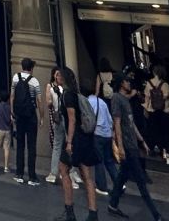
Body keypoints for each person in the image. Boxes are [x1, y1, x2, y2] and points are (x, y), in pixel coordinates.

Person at [106, 72, 162, 221]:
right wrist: (121, 146)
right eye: (126, 81)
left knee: (122, 176)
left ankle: (113, 204)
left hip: (131, 142)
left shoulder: (124, 100)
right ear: (120, 84)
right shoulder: (117, 99)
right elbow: (117, 123)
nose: (129, 83)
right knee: (140, 180)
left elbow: (130, 123)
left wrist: (141, 140)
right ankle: (156, 215)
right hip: (127, 145)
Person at [55, 66, 101, 221]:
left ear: (65, 78)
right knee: (87, 175)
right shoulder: (76, 93)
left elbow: (72, 119)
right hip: (85, 138)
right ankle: (93, 213)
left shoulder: (68, 95)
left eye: (59, 75)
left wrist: (69, 142)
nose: (57, 77)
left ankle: (70, 212)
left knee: (63, 169)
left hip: (75, 139)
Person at [12, 57, 43, 186]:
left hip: (19, 115)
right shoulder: (34, 81)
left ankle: (19, 174)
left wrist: (12, 112)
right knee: (31, 146)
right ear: (31, 68)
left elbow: (12, 95)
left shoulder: (15, 77)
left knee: (20, 145)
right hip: (31, 116)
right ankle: (32, 176)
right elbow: (39, 100)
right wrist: (41, 116)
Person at [88, 77, 117, 194]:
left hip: (97, 134)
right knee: (109, 160)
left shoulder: (88, 102)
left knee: (99, 161)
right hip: (107, 134)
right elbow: (110, 120)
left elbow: (89, 119)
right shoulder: (102, 102)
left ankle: (101, 186)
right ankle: (119, 182)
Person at [144, 66, 169, 166]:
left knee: (153, 130)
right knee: (164, 131)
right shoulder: (165, 84)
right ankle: (165, 151)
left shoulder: (149, 83)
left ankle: (153, 147)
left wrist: (146, 109)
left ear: (154, 72)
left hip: (152, 111)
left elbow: (147, 98)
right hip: (164, 110)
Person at [47, 65, 68, 184]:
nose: (59, 76)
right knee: (58, 144)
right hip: (59, 118)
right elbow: (49, 103)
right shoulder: (52, 88)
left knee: (64, 145)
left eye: (60, 74)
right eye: (57, 74)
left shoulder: (64, 88)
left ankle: (68, 171)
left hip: (63, 117)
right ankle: (55, 172)